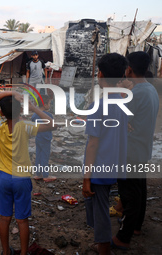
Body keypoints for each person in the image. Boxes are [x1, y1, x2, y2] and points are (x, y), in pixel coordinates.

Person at [0, 91, 55, 255]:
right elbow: (51, 123)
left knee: (4, 218)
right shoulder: (25, 126)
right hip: (21, 178)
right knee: (22, 220)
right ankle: (24, 253)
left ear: (2, 113)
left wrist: (13, 92)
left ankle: (6, 252)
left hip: (3, 178)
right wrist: (34, 107)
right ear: (20, 111)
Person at [112, 51, 159, 249]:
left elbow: (119, 121)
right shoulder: (150, 90)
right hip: (142, 147)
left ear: (129, 69)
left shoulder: (136, 94)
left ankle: (124, 237)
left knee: (129, 194)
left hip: (130, 150)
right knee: (139, 189)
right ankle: (137, 226)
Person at [82, 53, 129, 255]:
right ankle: (102, 245)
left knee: (100, 210)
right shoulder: (121, 102)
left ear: (100, 75)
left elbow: (93, 144)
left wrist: (86, 177)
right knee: (102, 205)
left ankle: (103, 249)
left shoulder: (98, 106)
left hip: (100, 167)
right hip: (116, 164)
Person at [31, 94, 57, 182]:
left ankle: (38, 174)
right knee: (45, 156)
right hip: (46, 139)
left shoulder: (35, 115)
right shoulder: (48, 115)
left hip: (38, 138)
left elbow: (32, 120)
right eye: (49, 103)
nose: (50, 105)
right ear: (45, 105)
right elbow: (52, 125)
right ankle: (45, 175)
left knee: (38, 155)